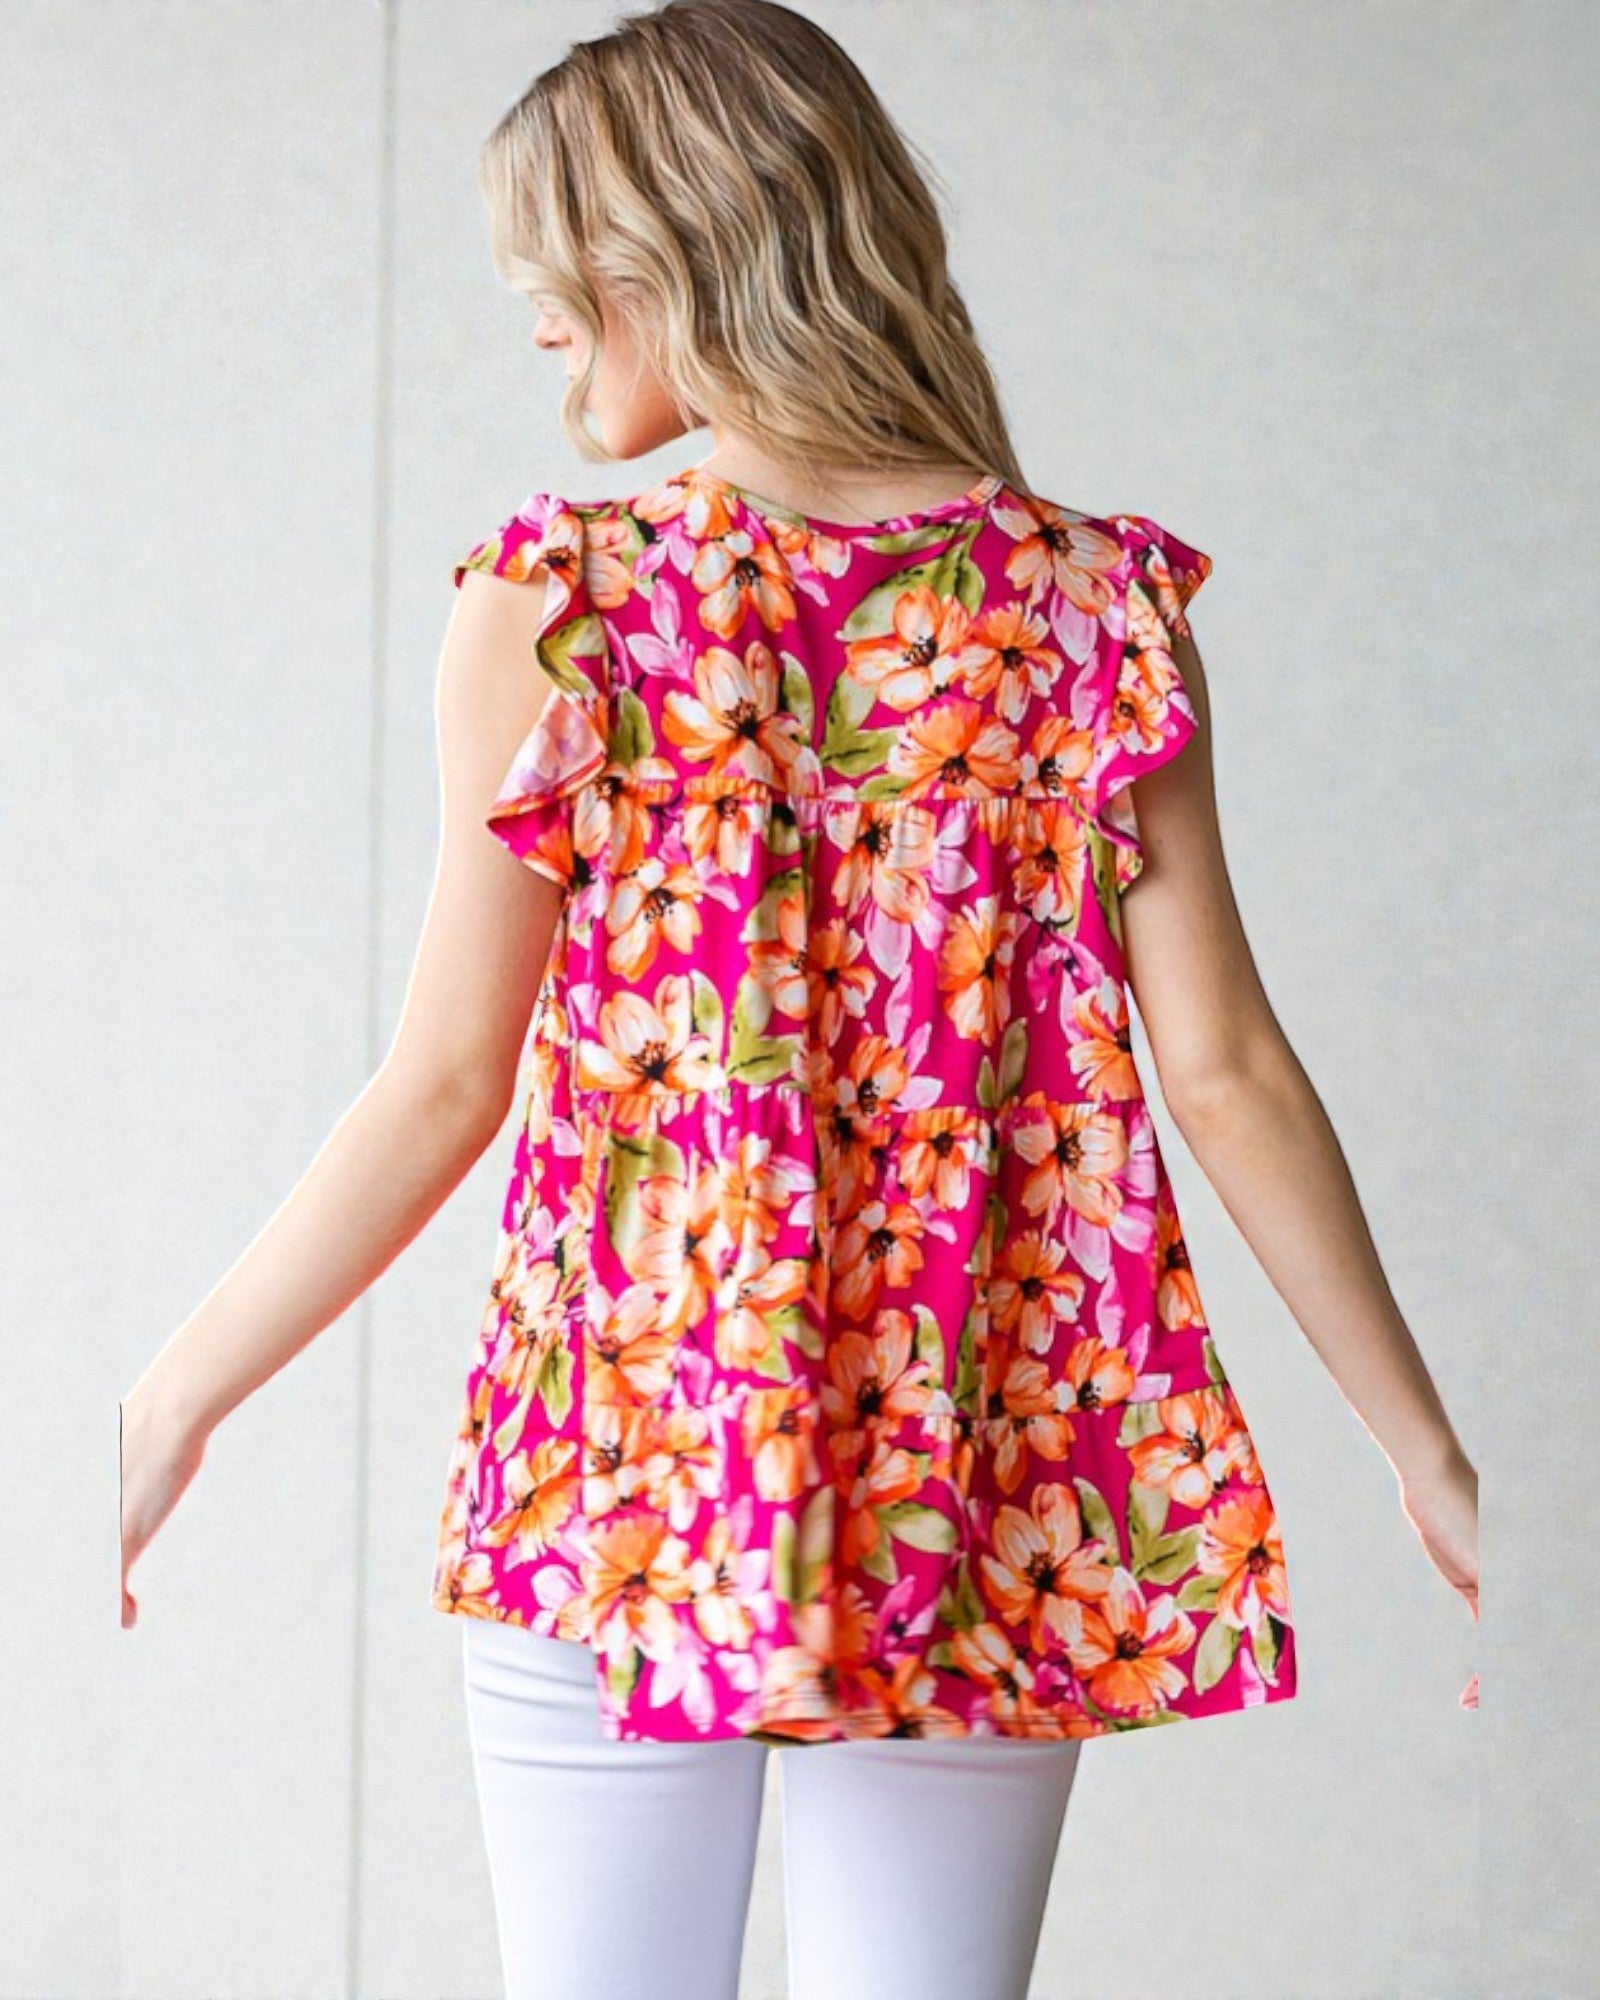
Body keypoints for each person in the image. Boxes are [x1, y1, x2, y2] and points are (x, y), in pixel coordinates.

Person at [119, 2, 1479, 1995]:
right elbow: (1225, 1069)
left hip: (626, 1460)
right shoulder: (1093, 606)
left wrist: (167, 1398)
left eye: (555, 285)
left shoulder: (561, 601)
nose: (536, 331)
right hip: (974, 1460)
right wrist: (1421, 1450)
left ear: (676, 255)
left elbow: (438, 1084)